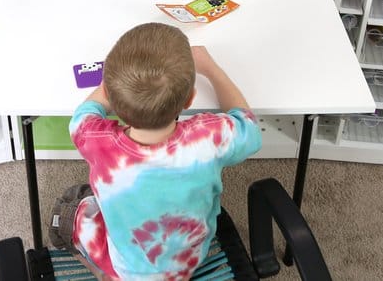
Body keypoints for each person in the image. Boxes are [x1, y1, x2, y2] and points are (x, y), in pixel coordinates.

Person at [49, 22, 262, 280]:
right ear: (190, 99)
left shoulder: (95, 138)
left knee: (70, 206)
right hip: (189, 260)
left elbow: (84, 114)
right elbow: (248, 125)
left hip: (126, 267)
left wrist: (116, 84)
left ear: (113, 99)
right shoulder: (208, 137)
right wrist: (210, 69)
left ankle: (106, 274)